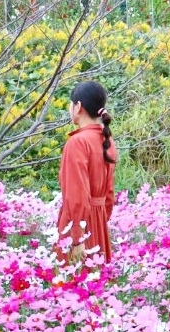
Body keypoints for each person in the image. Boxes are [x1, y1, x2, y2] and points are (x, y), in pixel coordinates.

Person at [56, 81, 117, 265]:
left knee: (72, 287)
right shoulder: (106, 140)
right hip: (98, 223)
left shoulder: (77, 142)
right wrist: (99, 222)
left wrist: (77, 237)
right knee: (98, 287)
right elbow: (109, 195)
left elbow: (77, 194)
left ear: (78, 106)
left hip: (79, 227)